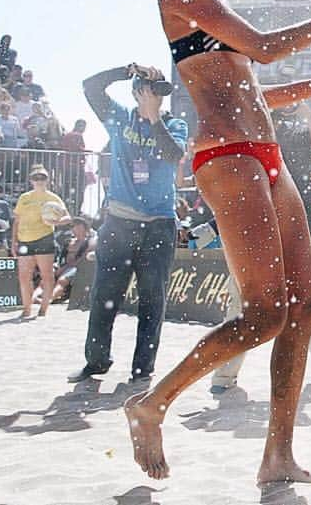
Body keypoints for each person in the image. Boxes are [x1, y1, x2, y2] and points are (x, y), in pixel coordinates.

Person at [124, 0, 311, 484]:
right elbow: (261, 46)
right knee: (263, 315)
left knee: (303, 306)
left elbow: (253, 92)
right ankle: (151, 404)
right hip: (226, 156)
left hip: (262, 153)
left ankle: (277, 456)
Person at [68, 64, 188, 384]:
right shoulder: (119, 117)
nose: (157, 95)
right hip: (119, 222)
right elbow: (90, 85)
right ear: (136, 92)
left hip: (159, 224)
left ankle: (142, 369)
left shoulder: (175, 124)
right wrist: (127, 69)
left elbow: (173, 155)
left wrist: (153, 117)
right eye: (150, 89)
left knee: (153, 300)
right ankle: (96, 362)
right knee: (104, 297)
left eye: (161, 90)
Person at [211, 102, 311, 394]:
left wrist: (307, 111)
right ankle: (223, 375)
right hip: (256, 233)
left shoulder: (298, 135)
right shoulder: (247, 140)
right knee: (242, 302)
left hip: (303, 232)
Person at [11, 165, 70, 318]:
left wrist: (54, 223)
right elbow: (16, 221)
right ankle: (26, 308)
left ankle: (43, 309)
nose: (39, 180)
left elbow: (67, 217)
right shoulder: (24, 198)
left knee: (47, 276)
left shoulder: (53, 198)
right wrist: (14, 242)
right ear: (31, 180)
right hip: (25, 240)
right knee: (24, 276)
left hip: (44, 239)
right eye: (36, 177)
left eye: (42, 177)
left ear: (47, 180)